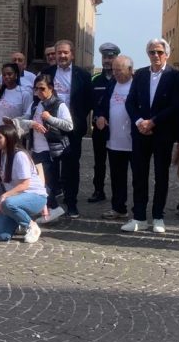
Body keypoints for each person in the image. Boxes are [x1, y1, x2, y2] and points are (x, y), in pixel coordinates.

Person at [122, 39, 179, 234]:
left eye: (159, 52)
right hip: (141, 132)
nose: (155, 55)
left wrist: (154, 121)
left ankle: (158, 216)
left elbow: (175, 105)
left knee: (161, 176)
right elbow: (130, 102)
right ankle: (139, 216)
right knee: (139, 175)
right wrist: (140, 122)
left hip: (162, 132)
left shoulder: (174, 75)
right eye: (152, 52)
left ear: (166, 54)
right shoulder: (140, 74)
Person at [15, 73, 73, 225]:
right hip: (36, 148)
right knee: (39, 182)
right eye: (36, 89)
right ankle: (47, 209)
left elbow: (69, 125)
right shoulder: (36, 104)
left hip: (50, 150)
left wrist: (50, 118)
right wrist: (29, 123)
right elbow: (25, 119)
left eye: (42, 89)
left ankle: (54, 208)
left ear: (51, 88)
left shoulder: (59, 104)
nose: (39, 92)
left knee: (46, 182)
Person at [46, 39, 93, 219]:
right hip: (50, 127)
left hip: (73, 129)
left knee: (71, 167)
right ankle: (51, 204)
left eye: (65, 52)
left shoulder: (83, 75)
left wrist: (76, 118)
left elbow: (88, 101)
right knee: (51, 166)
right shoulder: (47, 73)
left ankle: (71, 203)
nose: (62, 56)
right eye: (59, 53)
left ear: (72, 54)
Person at [93, 54, 135, 221]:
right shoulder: (112, 84)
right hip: (114, 140)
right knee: (117, 177)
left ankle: (139, 212)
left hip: (134, 141)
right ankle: (118, 208)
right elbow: (101, 105)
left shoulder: (137, 85)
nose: (115, 73)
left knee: (138, 178)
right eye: (114, 70)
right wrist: (100, 116)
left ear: (130, 70)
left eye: (119, 70)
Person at [0, 123, 47, 244]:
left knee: (8, 203)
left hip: (34, 196)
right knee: (1, 235)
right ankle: (20, 222)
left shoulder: (20, 155)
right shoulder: (2, 155)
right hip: (15, 198)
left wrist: (4, 195)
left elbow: (25, 184)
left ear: (9, 138)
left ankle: (32, 226)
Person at [89, 42, 121, 204]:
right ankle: (98, 190)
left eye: (110, 57)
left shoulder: (121, 79)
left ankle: (118, 194)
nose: (107, 60)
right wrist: (97, 117)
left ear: (116, 58)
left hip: (118, 128)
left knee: (117, 163)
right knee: (99, 162)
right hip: (100, 128)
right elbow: (89, 102)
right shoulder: (94, 79)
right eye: (104, 57)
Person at [0, 63, 32, 136]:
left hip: (13, 135)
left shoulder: (25, 93)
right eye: (4, 75)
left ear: (16, 75)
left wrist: (14, 122)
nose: (6, 76)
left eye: (9, 74)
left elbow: (28, 116)